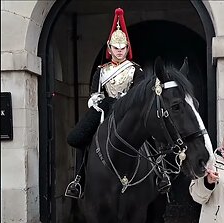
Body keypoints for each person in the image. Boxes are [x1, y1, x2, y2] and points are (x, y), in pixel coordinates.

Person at [64, 8, 172, 199]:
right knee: (80, 138)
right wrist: (99, 102)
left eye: (123, 48)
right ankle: (79, 180)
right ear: (109, 48)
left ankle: (161, 174)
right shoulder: (101, 71)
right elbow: (95, 93)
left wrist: (125, 104)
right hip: (105, 109)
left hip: (129, 110)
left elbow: (139, 94)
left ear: (127, 48)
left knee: (150, 134)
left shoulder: (135, 70)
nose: (120, 51)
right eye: (116, 48)